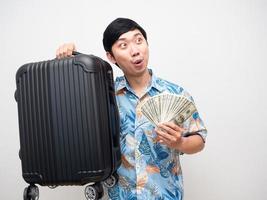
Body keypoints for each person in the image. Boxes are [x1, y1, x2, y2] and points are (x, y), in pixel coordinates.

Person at [56, 18, 207, 200]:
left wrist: (179, 143)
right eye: (123, 45)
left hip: (166, 195)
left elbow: (199, 139)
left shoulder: (176, 93)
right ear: (111, 57)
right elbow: (72, 104)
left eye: (139, 40)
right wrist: (72, 58)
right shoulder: (103, 96)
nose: (135, 51)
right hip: (121, 195)